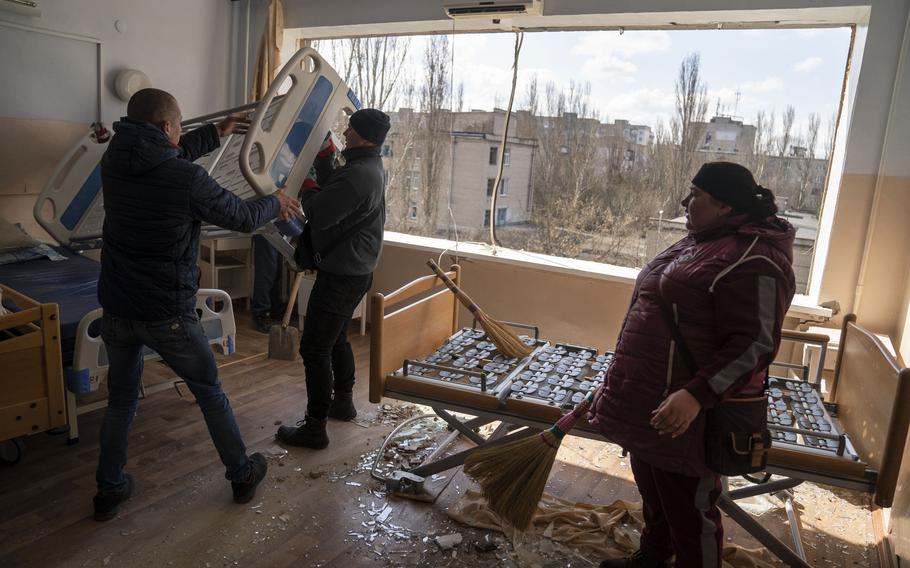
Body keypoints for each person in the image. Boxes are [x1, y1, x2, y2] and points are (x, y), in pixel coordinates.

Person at [93, 88, 300, 521]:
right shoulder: (185, 179)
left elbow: (162, 157)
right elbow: (242, 217)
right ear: (168, 126)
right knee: (209, 392)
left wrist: (213, 133)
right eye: (179, 125)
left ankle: (109, 489)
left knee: (120, 401)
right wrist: (275, 202)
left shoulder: (113, 160)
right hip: (167, 312)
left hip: (118, 307)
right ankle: (241, 473)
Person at [590, 162, 796, 568]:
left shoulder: (753, 257)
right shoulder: (702, 241)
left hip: (689, 413)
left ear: (722, 206)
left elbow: (754, 344)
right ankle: (652, 558)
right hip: (652, 400)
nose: (686, 202)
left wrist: (695, 395)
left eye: (696, 195)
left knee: (691, 512)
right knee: (656, 493)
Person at [275, 108, 389, 449]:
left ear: (364, 136)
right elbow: (335, 185)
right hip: (353, 272)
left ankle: (314, 428)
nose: (345, 132)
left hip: (342, 277)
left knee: (315, 348)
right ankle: (343, 402)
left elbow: (321, 213)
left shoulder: (360, 174)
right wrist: (323, 158)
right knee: (337, 339)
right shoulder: (363, 167)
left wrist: (306, 184)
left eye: (350, 129)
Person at [251, 235, 283, 333]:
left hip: (276, 225)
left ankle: (274, 308)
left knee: (275, 270)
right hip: (265, 226)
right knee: (266, 270)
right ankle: (261, 313)